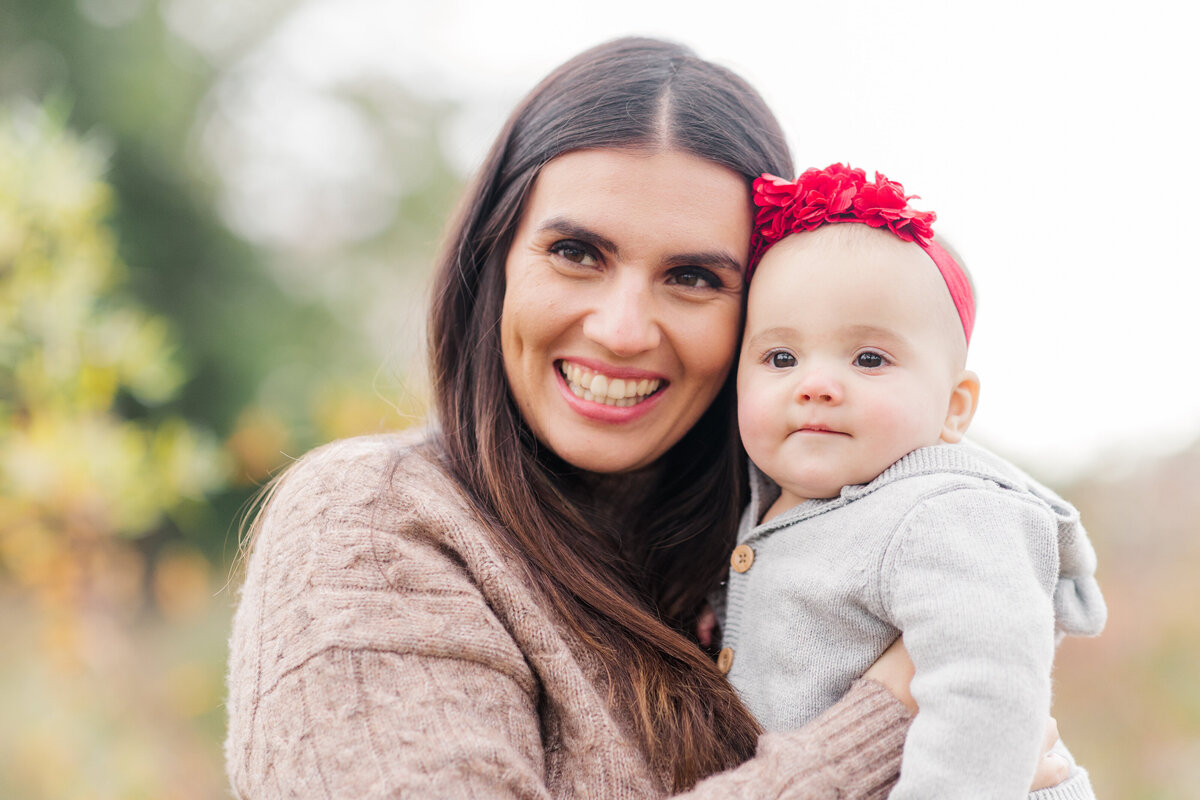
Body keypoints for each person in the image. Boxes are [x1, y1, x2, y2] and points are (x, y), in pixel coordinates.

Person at [224, 41, 1070, 798]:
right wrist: (887, 717)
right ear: (496, 261)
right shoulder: (375, 523)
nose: (624, 330)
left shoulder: (812, 543)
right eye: (577, 253)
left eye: (694, 277)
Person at [718, 163, 1107, 798]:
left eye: (869, 358)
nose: (815, 384)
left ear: (955, 407)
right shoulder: (777, 503)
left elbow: (988, 689)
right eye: (780, 357)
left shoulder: (947, 513)